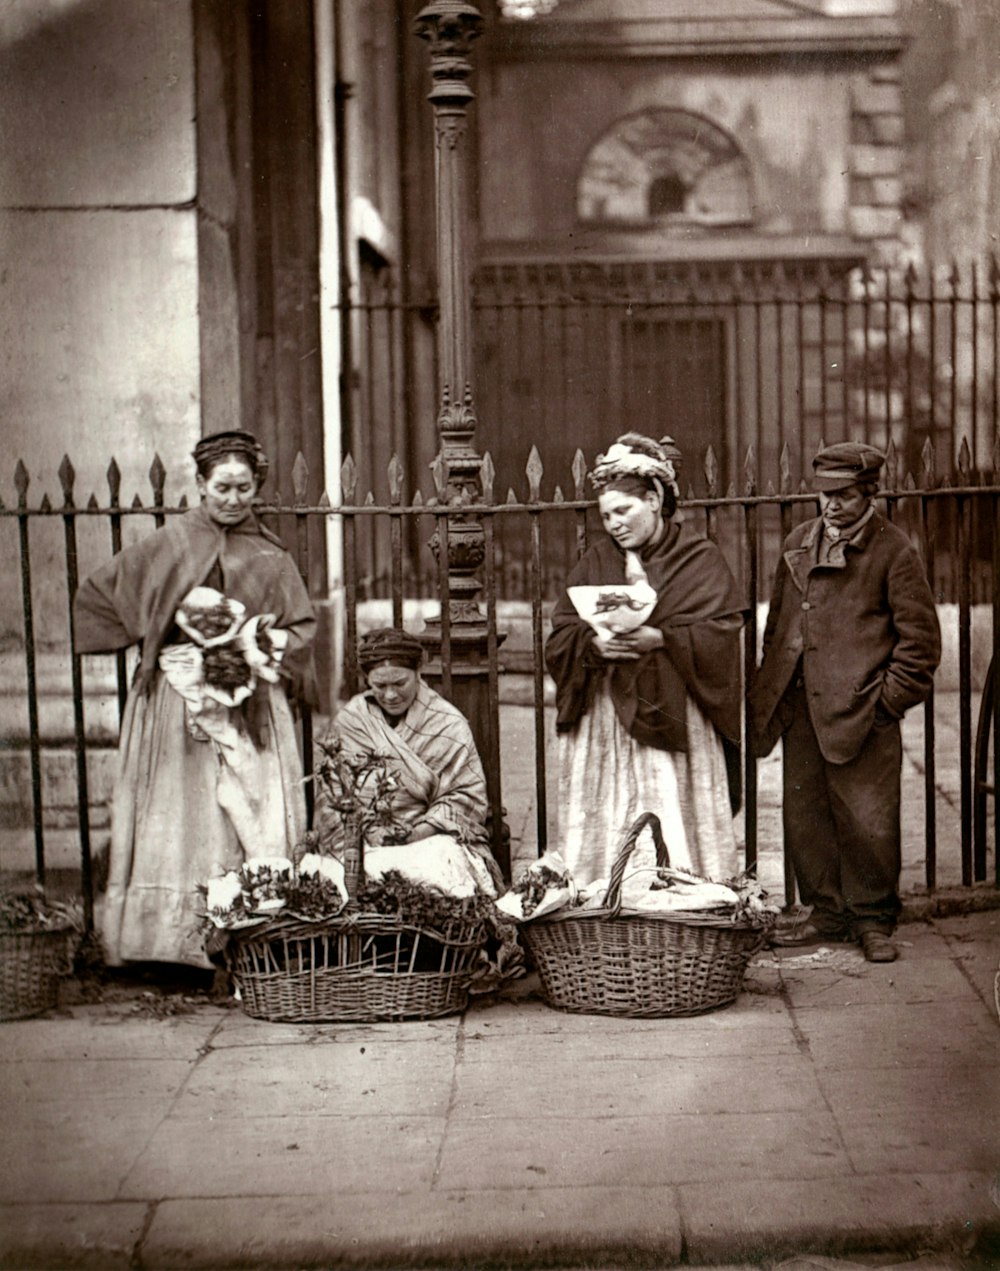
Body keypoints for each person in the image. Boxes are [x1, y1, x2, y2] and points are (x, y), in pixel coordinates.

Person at [74, 430, 317, 968]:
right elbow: (98, 594)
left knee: (248, 812)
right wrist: (160, 641)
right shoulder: (172, 543)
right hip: (174, 702)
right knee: (177, 813)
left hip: (247, 702)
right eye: (222, 487)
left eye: (244, 488)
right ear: (201, 484)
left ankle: (248, 932)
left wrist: (255, 644)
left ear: (258, 487)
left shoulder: (270, 556)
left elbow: (301, 629)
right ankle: (166, 943)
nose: (233, 499)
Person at [748, 442, 940, 963]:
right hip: (802, 707)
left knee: (868, 819)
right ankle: (827, 914)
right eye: (824, 494)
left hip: (863, 712)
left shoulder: (893, 550)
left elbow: (920, 645)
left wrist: (885, 705)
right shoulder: (798, 542)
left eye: (844, 496)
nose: (830, 506)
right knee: (805, 816)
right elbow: (778, 627)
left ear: (870, 494)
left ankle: (873, 919)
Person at [544, 432, 746, 887]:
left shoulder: (699, 559)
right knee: (607, 819)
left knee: (669, 810)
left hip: (676, 715)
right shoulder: (597, 560)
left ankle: (686, 900)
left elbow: (721, 632)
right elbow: (561, 632)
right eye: (606, 516)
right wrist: (592, 647)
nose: (614, 524)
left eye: (623, 511)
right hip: (606, 721)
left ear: (655, 499)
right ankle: (603, 897)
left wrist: (663, 638)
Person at [317, 627, 503, 896]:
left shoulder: (447, 723)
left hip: (424, 842)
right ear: (367, 680)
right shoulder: (352, 720)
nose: (390, 695)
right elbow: (331, 794)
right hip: (360, 844)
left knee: (441, 872)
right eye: (379, 686)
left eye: (400, 684)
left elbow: (464, 797)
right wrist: (360, 836)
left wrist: (416, 834)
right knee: (338, 878)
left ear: (418, 672)